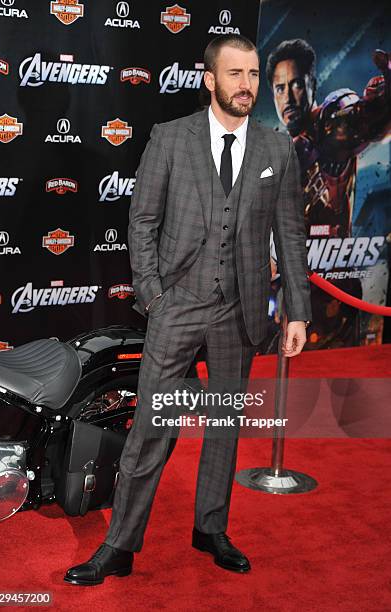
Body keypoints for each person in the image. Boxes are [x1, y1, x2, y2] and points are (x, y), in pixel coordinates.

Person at [64, 34, 312, 586]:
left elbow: (290, 235)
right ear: (209, 79)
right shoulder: (171, 139)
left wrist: (297, 310)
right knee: (152, 426)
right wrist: (153, 295)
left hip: (241, 311)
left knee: (223, 427)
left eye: (252, 74)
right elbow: (142, 222)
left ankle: (211, 528)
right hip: (177, 305)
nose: (247, 85)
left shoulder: (276, 148)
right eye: (235, 74)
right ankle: (120, 545)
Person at [266, 39, 390, 348]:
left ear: (312, 84)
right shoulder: (275, 148)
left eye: (296, 85)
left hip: (336, 292)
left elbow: (367, 121)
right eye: (280, 88)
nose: (288, 97)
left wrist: (383, 98)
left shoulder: (329, 122)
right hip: (289, 295)